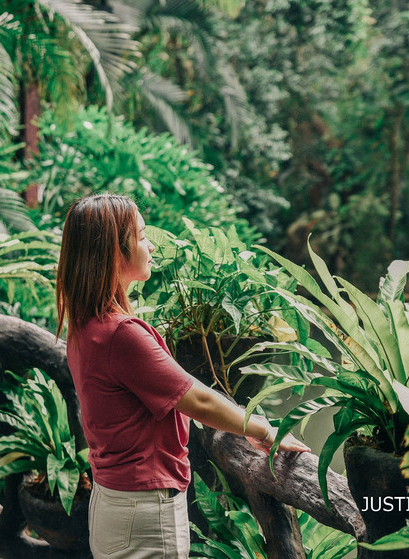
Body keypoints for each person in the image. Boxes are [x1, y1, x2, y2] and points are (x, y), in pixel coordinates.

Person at [56, 193, 310, 559]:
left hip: (114, 504)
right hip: (143, 513)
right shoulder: (120, 334)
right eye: (142, 237)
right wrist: (266, 431)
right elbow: (199, 400)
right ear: (115, 251)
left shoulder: (85, 325)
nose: (150, 246)